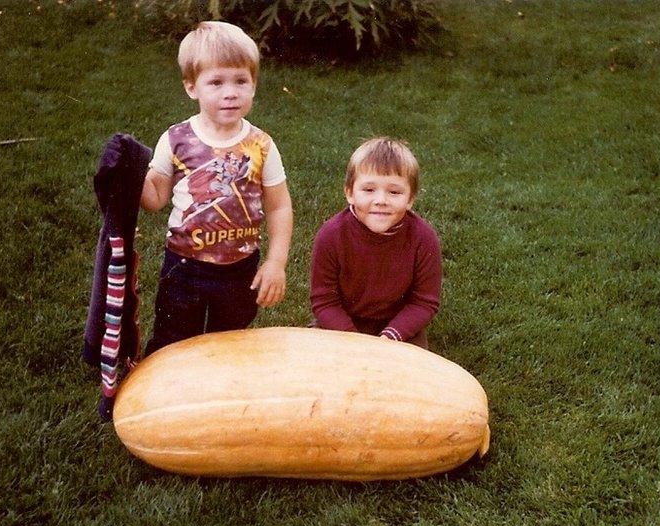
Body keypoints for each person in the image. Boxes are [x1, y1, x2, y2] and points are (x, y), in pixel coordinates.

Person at [140, 21, 293, 355]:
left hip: (240, 269)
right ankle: (159, 399)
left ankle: (219, 403)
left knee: (230, 347)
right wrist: (131, 176)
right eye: (217, 82)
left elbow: (279, 206)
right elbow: (155, 198)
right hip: (184, 265)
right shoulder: (176, 139)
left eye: (241, 80)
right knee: (173, 342)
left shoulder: (261, 145)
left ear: (254, 85)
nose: (230, 92)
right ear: (192, 87)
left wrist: (275, 263)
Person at [310, 138, 442, 348]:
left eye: (394, 192)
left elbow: (424, 302)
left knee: (409, 378)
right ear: (350, 193)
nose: (381, 200)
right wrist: (354, 340)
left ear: (410, 199)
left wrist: (390, 337)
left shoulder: (423, 239)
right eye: (369, 190)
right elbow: (324, 301)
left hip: (398, 328)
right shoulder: (331, 235)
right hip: (340, 323)